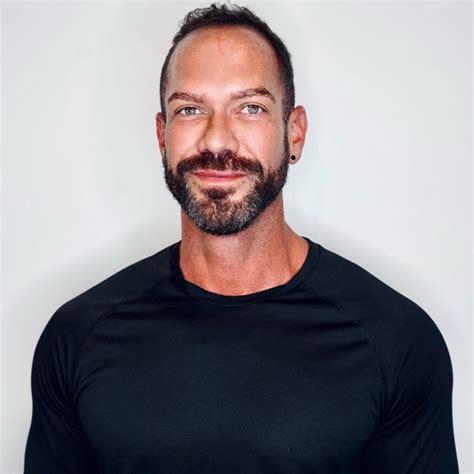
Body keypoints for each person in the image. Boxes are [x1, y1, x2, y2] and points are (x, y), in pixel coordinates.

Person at [24, 4, 459, 473]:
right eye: (190, 110)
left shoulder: (395, 339)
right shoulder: (77, 338)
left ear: (294, 133)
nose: (217, 141)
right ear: (162, 135)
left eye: (250, 108)